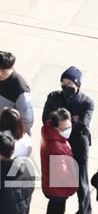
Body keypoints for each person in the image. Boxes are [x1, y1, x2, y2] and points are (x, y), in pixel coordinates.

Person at [43, 68, 94, 214]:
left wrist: (58, 121)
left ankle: (85, 211)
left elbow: (82, 124)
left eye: (70, 83)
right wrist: (72, 120)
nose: (66, 86)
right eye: (63, 83)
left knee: (81, 181)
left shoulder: (87, 102)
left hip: (78, 145)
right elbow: (46, 119)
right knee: (58, 182)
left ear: (77, 85)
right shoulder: (53, 97)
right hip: (58, 145)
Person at [40, 108, 79, 214]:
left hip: (52, 187)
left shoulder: (50, 136)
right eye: (64, 129)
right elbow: (62, 174)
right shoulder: (57, 147)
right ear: (55, 128)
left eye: (69, 127)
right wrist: (74, 184)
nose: (68, 130)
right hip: (58, 190)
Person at [0, 51, 35, 136]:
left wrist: (16, 139)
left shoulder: (20, 89)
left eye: (3, 70)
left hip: (10, 140)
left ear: (11, 67)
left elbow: (27, 119)